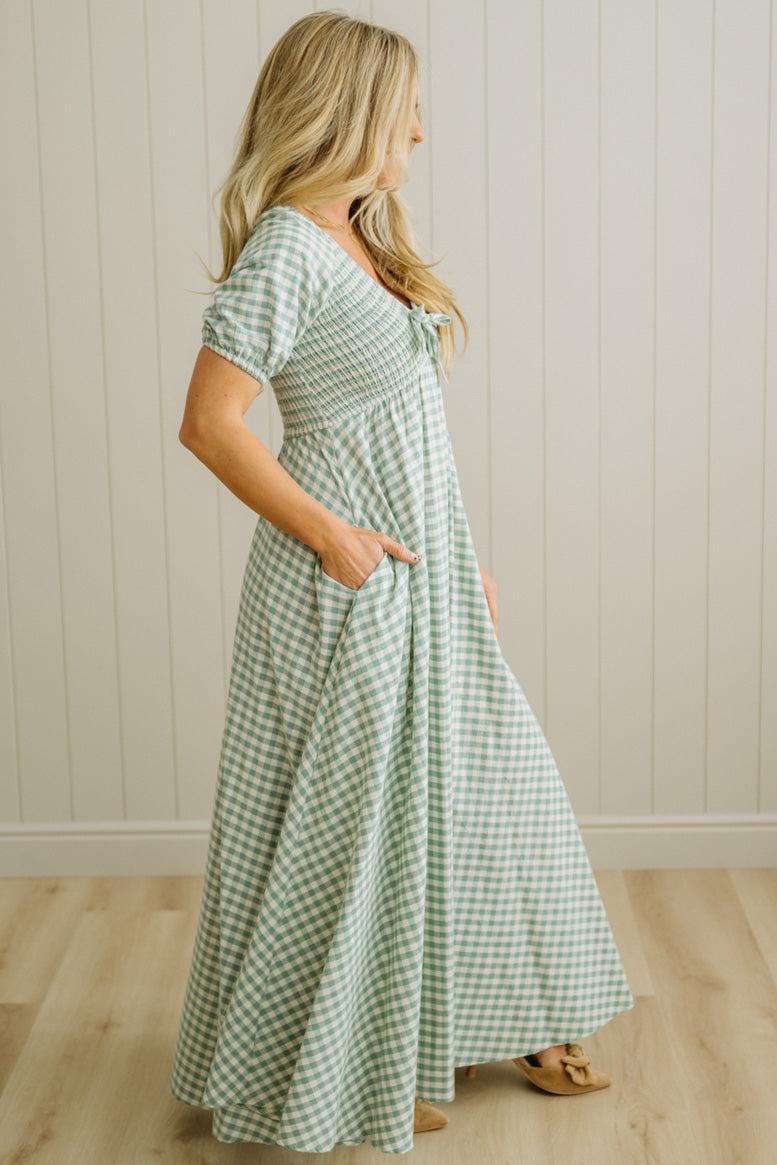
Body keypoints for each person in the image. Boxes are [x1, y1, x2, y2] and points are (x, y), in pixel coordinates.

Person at [168, 9, 635, 1156]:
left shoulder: (362, 240)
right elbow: (209, 425)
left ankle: (457, 1022)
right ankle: (354, 1059)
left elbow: (407, 426)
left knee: (479, 793)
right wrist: (335, 538)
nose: (421, 131)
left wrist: (458, 550)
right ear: (352, 114)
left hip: (420, 574)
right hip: (347, 587)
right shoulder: (287, 246)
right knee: (356, 829)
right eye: (406, 111)